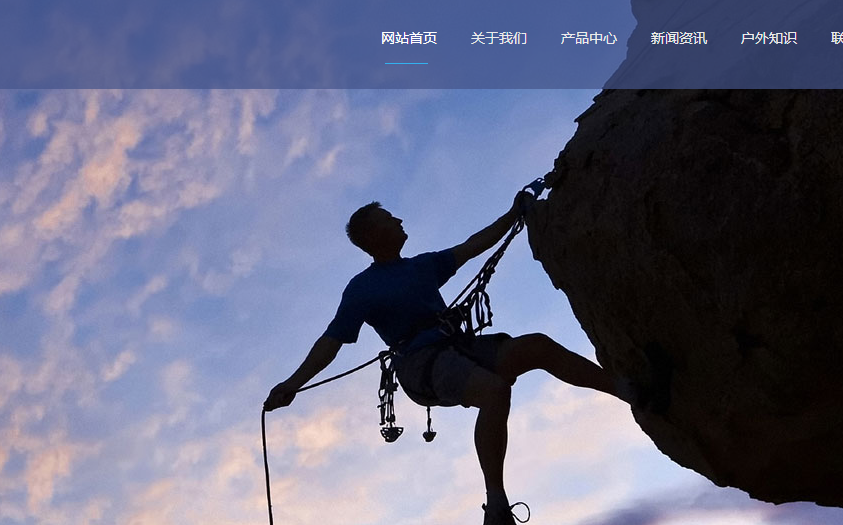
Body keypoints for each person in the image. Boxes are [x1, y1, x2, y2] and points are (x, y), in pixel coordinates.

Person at [264, 194, 637, 525]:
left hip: (457, 347)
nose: (399, 220)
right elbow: (332, 341)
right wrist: (293, 384)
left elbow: (473, 245)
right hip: (420, 364)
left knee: (537, 346)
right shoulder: (362, 288)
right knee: (493, 391)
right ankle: (496, 503)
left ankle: (627, 389)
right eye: (389, 219)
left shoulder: (422, 266)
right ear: (372, 236)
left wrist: (514, 213)